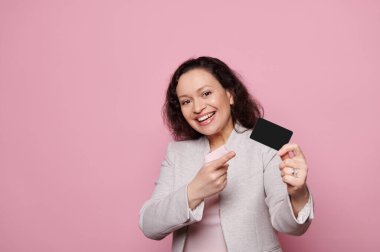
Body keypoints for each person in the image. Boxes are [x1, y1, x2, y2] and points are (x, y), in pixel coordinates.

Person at [138, 56, 314, 252]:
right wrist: (195, 191)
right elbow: (149, 225)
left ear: (230, 94)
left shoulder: (269, 135)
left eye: (206, 93)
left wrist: (298, 193)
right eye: (186, 101)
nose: (197, 108)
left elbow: (290, 226)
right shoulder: (177, 151)